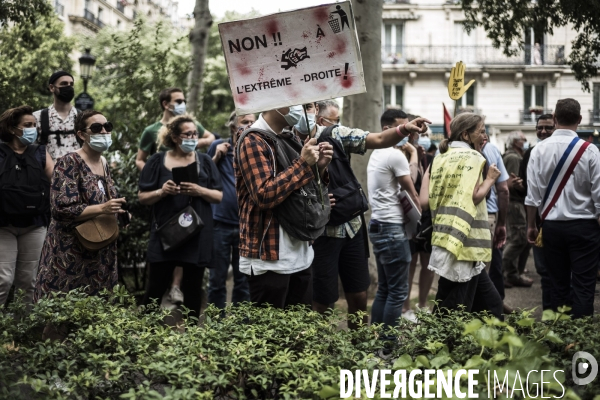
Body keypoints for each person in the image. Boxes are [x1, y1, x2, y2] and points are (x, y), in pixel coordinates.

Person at [299, 104, 430, 326]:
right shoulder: (288, 141)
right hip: (322, 233)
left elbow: (377, 139)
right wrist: (314, 201)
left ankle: (362, 349)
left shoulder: (336, 135)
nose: (338, 124)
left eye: (311, 106)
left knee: (360, 296)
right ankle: (318, 353)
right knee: (322, 301)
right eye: (335, 119)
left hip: (352, 226)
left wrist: (406, 128)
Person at [235, 105, 333, 309]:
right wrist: (304, 164)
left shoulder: (290, 138)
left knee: (299, 336)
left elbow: (301, 190)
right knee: (269, 338)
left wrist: (319, 167)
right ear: (277, 103)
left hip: (300, 253)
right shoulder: (252, 140)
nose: (301, 109)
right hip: (269, 259)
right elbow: (264, 195)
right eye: (295, 102)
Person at [135, 87, 216, 305]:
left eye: (194, 135)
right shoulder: (156, 159)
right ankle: (147, 334)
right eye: (187, 135)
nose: (193, 138)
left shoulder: (204, 161)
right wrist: (161, 191)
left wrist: (199, 191)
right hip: (165, 234)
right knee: (154, 290)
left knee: (193, 292)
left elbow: (218, 195)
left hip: (196, 234)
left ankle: (192, 336)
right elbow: (142, 197)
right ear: (174, 137)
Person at [34, 110, 125, 301]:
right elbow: (61, 209)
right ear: (81, 134)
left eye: (107, 127)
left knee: (95, 318)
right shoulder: (69, 162)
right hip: (70, 252)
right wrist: (104, 208)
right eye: (96, 128)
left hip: (100, 250)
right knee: (62, 313)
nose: (104, 132)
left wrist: (120, 212)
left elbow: (105, 200)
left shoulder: (104, 162)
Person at [420, 113, 503, 318]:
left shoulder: (440, 157)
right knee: (453, 311)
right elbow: (473, 197)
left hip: (446, 238)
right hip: (465, 244)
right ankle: (436, 348)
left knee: (490, 307)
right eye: (481, 131)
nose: (485, 135)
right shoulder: (474, 158)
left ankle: (481, 345)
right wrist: (490, 179)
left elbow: (425, 200)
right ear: (466, 134)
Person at [525, 99, 600, 318]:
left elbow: (532, 197)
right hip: (585, 227)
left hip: (552, 227)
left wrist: (531, 226)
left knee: (557, 284)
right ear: (579, 119)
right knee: (584, 287)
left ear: (555, 119)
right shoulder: (591, 152)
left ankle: (559, 340)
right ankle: (581, 343)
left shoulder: (538, 151)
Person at [366, 112, 422, 330]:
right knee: (398, 291)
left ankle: (377, 343)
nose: (406, 132)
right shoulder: (395, 155)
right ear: (388, 128)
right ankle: (387, 347)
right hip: (392, 228)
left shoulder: (377, 153)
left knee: (385, 289)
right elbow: (413, 192)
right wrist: (418, 224)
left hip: (378, 225)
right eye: (403, 128)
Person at [0, 106, 54, 309]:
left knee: (29, 282)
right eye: (27, 125)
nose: (33, 129)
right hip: (3, 225)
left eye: (35, 125)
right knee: (3, 280)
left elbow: (57, 180)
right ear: (13, 129)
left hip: (34, 224)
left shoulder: (40, 153)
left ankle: (21, 332)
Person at [206, 111, 254, 309]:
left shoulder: (256, 149)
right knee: (217, 279)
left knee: (243, 280)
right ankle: (216, 326)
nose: (250, 125)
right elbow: (203, 177)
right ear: (233, 126)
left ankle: (239, 327)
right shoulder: (218, 147)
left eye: (253, 121)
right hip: (220, 224)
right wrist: (217, 157)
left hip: (247, 225)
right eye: (245, 122)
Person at [519, 114, 555, 310]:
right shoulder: (531, 152)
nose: (543, 131)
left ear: (556, 127)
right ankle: (551, 318)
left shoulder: (571, 150)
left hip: (560, 219)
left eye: (548, 128)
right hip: (542, 221)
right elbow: (528, 189)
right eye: (540, 127)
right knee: (545, 272)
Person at [480, 134, 510, 311]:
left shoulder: (446, 151)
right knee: (486, 269)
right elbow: (504, 189)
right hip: (488, 215)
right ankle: (493, 307)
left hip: (456, 217)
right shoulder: (489, 149)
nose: (484, 136)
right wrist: (502, 223)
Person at [502, 131, 533, 287]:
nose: (526, 141)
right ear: (515, 142)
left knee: (519, 240)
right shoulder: (514, 158)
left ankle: (512, 274)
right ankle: (502, 273)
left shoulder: (513, 156)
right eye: (523, 139)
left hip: (515, 203)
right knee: (518, 239)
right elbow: (512, 183)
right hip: (515, 203)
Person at [33, 71, 80, 160]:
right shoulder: (37, 117)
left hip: (78, 173)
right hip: (48, 172)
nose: (68, 87)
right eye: (64, 84)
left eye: (71, 84)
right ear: (51, 88)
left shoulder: (82, 117)